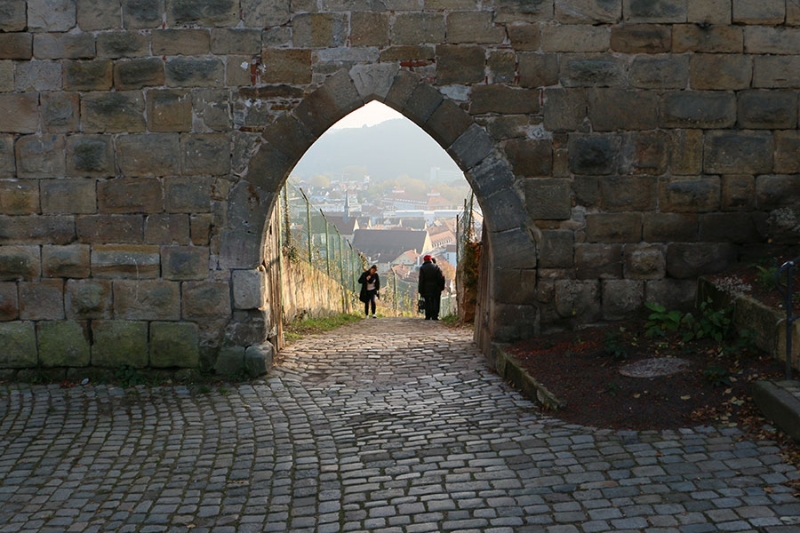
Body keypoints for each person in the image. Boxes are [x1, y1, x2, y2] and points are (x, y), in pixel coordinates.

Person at [418, 254, 445, 320]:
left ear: (424, 260)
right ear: (431, 260)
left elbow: (421, 280)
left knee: (427, 301)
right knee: (435, 301)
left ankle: (428, 315)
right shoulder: (436, 267)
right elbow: (441, 278)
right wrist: (441, 287)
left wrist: (420, 290)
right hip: (436, 288)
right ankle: (435, 316)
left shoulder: (422, 268)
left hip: (426, 288)